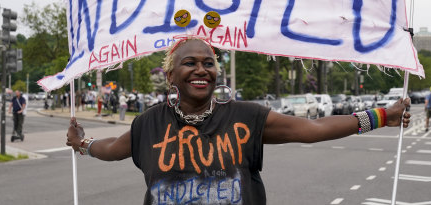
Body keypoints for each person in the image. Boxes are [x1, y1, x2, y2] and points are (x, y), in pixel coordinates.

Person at [67, 37, 411, 205]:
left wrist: (382, 115)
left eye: (209, 62)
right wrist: (82, 143)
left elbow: (314, 129)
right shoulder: (149, 124)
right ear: (172, 74)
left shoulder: (246, 117)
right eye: (190, 63)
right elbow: (112, 148)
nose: (201, 69)